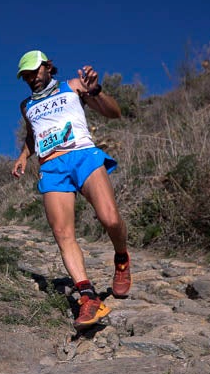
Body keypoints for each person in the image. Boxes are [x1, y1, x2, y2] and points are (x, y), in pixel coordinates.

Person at [12, 49, 131, 330]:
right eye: (26, 76)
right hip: (52, 168)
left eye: (35, 72)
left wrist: (96, 91)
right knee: (63, 234)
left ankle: (122, 259)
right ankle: (87, 296)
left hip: (83, 156)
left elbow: (114, 113)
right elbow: (33, 137)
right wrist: (23, 156)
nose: (31, 79)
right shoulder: (26, 105)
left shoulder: (74, 87)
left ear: (48, 67)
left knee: (110, 218)